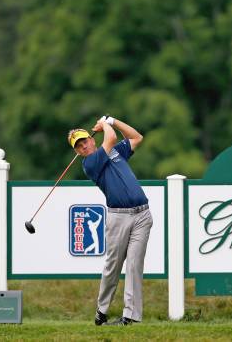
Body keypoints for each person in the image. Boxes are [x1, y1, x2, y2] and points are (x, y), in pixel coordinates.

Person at [67, 115, 152, 326]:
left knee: (134, 265)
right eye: (79, 145)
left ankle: (130, 316)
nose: (84, 146)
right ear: (77, 152)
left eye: (85, 140)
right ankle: (102, 311)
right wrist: (105, 125)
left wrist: (113, 121)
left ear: (92, 139)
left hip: (142, 215)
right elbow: (111, 137)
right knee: (113, 266)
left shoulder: (114, 152)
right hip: (119, 217)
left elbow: (136, 137)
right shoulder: (90, 163)